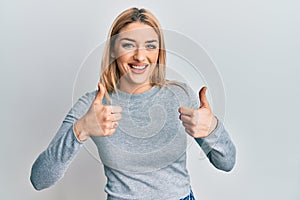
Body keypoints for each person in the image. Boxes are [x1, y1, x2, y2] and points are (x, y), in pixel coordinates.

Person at [30, 7, 236, 200]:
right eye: (128, 45)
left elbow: (226, 163)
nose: (140, 56)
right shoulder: (93, 106)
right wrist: (81, 129)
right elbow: (40, 179)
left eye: (150, 46)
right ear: (113, 50)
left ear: (158, 52)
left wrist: (212, 129)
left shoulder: (180, 95)